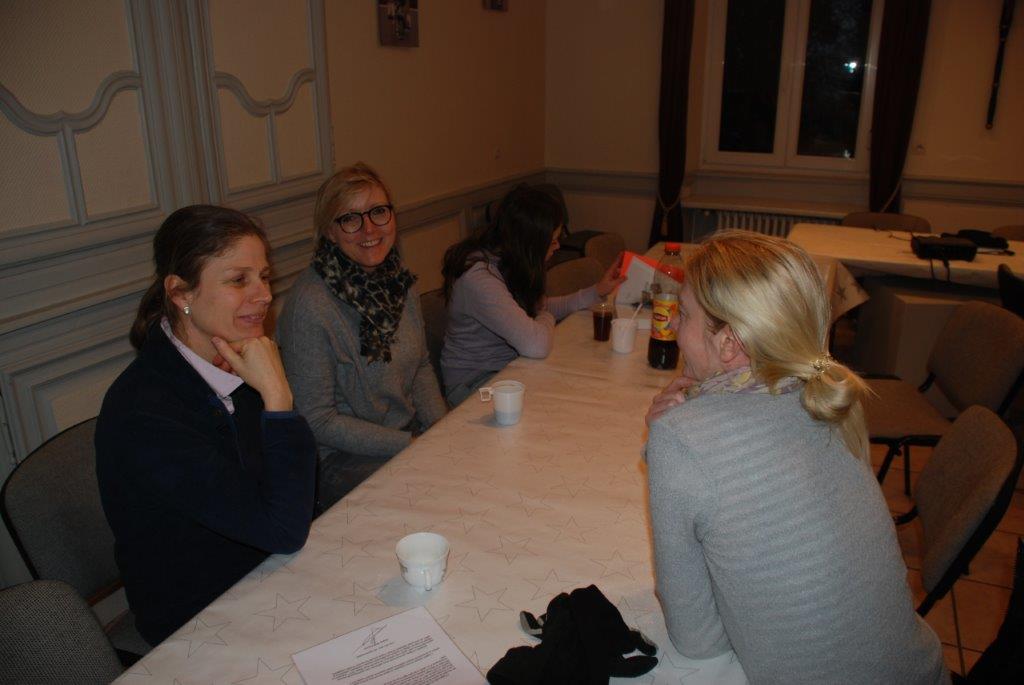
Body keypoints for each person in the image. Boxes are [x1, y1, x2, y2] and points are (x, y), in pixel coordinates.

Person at [644, 231, 947, 684]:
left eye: (683, 314)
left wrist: (662, 439)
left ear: (729, 343)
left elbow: (698, 640)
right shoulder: (828, 396)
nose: (670, 326)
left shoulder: (682, 439)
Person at [96, 205, 316, 647]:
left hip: (265, 572)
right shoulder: (144, 413)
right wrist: (278, 399)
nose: (264, 295)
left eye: (264, 277)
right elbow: (284, 529)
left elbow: (294, 496)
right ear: (180, 293)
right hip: (199, 621)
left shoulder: (232, 357)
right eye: (238, 280)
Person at [277, 163, 446, 514]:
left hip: (405, 435)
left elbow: (420, 367)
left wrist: (443, 431)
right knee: (431, 500)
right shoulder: (310, 305)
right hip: (342, 460)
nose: (369, 228)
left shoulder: (399, 280)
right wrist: (411, 443)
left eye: (378, 212)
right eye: (350, 219)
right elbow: (318, 420)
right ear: (330, 231)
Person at [440, 184, 625, 405]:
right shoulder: (479, 278)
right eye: (552, 240)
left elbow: (539, 309)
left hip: (510, 367)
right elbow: (536, 344)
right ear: (530, 242)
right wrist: (544, 315)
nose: (557, 246)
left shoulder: (509, 260)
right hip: (474, 385)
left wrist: (596, 291)